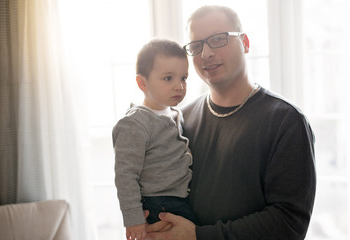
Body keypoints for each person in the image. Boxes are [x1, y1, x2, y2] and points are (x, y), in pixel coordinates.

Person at [146, 5, 316, 240]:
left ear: (245, 43)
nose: (205, 53)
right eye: (196, 46)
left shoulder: (286, 121)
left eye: (218, 39)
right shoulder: (177, 119)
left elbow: (289, 223)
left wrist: (199, 236)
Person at [112, 39, 197, 240]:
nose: (179, 86)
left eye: (183, 78)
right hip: (158, 202)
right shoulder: (135, 123)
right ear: (142, 83)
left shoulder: (175, 113)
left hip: (181, 198)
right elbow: (125, 175)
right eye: (168, 78)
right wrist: (133, 219)